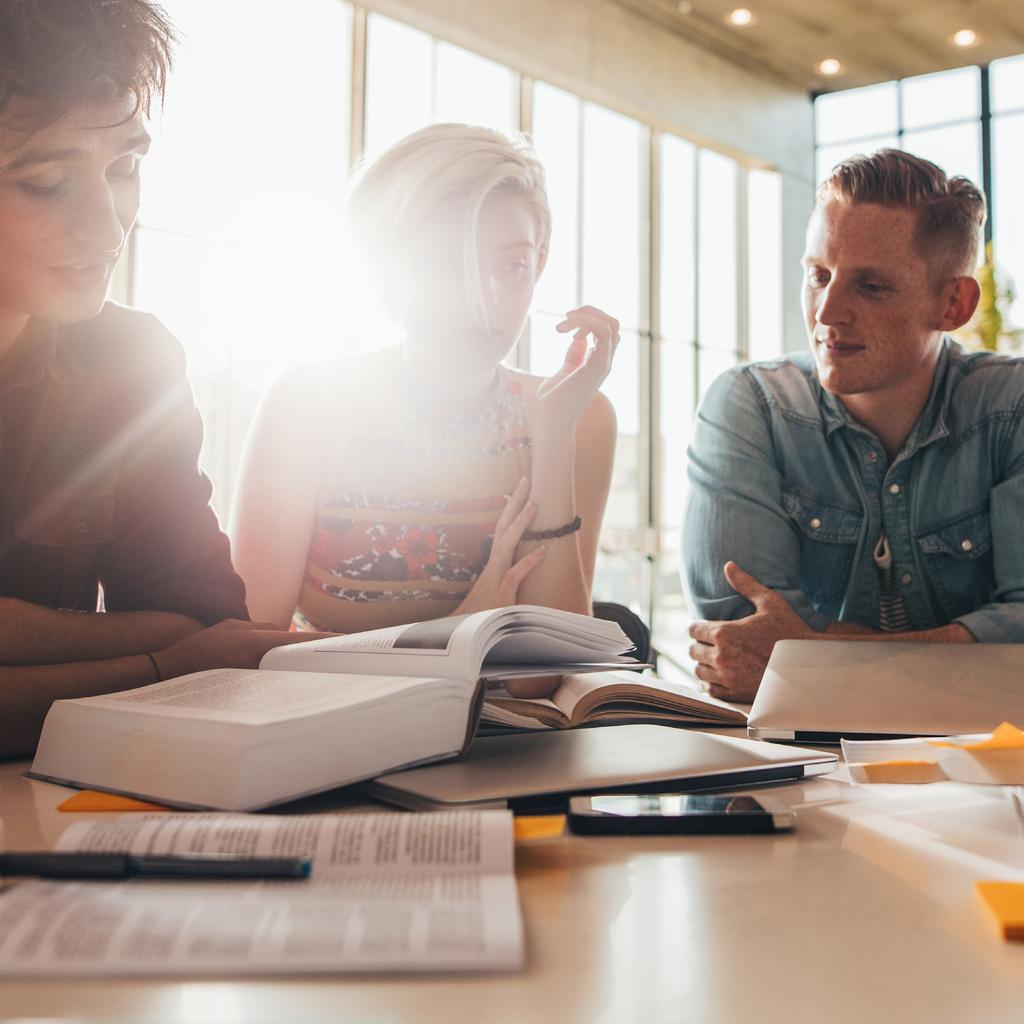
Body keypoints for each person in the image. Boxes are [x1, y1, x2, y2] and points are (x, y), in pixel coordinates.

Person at [0, 0, 314, 757]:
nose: (108, 227)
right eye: (44, 181)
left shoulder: (131, 363)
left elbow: (211, 625)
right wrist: (153, 664)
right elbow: (192, 656)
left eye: (125, 167)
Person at [230, 123, 619, 697]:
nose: (482, 296)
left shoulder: (577, 415)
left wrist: (554, 436)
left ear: (539, 264)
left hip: (502, 765)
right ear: (387, 268)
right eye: (445, 262)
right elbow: (244, 653)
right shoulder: (308, 407)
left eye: (510, 266)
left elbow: (542, 678)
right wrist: (452, 636)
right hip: (322, 748)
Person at [683, 148, 1024, 702]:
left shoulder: (1011, 409)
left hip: (983, 772)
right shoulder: (751, 405)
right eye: (819, 275)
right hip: (795, 769)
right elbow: (739, 642)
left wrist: (810, 665)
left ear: (954, 304)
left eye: (871, 286)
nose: (826, 312)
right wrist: (965, 659)